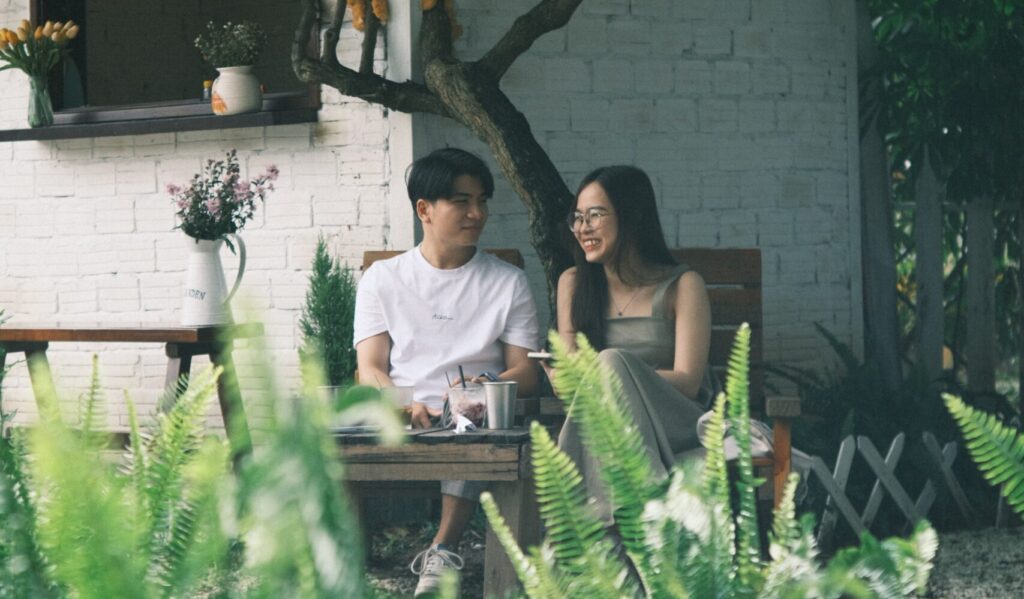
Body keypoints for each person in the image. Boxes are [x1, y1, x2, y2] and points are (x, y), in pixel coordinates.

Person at [353, 148, 540, 597]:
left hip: (477, 414)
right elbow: (370, 369)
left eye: (482, 200)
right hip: (405, 414)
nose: (478, 213)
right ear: (425, 209)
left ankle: (441, 551)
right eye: (462, 201)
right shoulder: (383, 279)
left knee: (470, 423)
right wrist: (402, 402)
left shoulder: (507, 281)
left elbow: (529, 372)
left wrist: (484, 388)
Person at [551, 165, 719, 521]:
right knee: (608, 377)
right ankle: (640, 514)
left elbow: (688, 382)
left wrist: (617, 376)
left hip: (678, 420)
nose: (583, 228)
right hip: (603, 424)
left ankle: (598, 533)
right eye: (578, 217)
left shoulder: (684, 285)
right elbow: (571, 382)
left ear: (631, 217)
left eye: (595, 215)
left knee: (610, 363)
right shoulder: (573, 283)